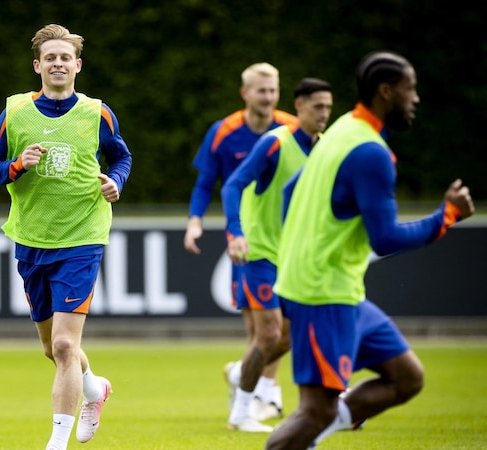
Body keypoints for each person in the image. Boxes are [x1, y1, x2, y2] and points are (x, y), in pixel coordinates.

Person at [265, 51, 475, 450]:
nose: (415, 98)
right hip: (321, 292)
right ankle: (311, 431)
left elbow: (292, 191)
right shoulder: (371, 153)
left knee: (406, 377)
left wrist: (302, 241)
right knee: (315, 410)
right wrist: (446, 215)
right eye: (409, 89)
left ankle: (318, 432)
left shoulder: (345, 128)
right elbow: (386, 238)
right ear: (386, 91)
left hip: (338, 289)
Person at [0, 24, 132, 450]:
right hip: (32, 239)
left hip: (83, 235)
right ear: (38, 65)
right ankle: (94, 389)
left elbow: (121, 155)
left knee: (65, 344)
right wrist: (15, 166)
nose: (58, 63)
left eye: (66, 57)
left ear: (77, 65)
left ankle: (56, 443)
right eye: (51, 57)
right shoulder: (15, 112)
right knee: (52, 348)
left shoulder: (98, 113)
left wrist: (116, 180)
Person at [183, 62, 298, 429]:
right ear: (245, 93)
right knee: (260, 326)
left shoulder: (293, 130)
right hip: (246, 240)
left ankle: (247, 379)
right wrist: (195, 221)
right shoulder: (224, 131)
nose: (268, 97)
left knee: (281, 328)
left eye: (273, 90)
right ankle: (262, 393)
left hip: (289, 240)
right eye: (261, 90)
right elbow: (207, 183)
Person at [220, 78, 334, 432]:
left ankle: (240, 372)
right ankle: (241, 413)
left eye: (328, 108)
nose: (324, 115)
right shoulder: (275, 143)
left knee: (288, 336)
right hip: (259, 251)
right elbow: (232, 184)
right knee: (268, 335)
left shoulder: (327, 148)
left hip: (295, 257)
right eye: (317, 107)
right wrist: (236, 233)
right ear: (298, 107)